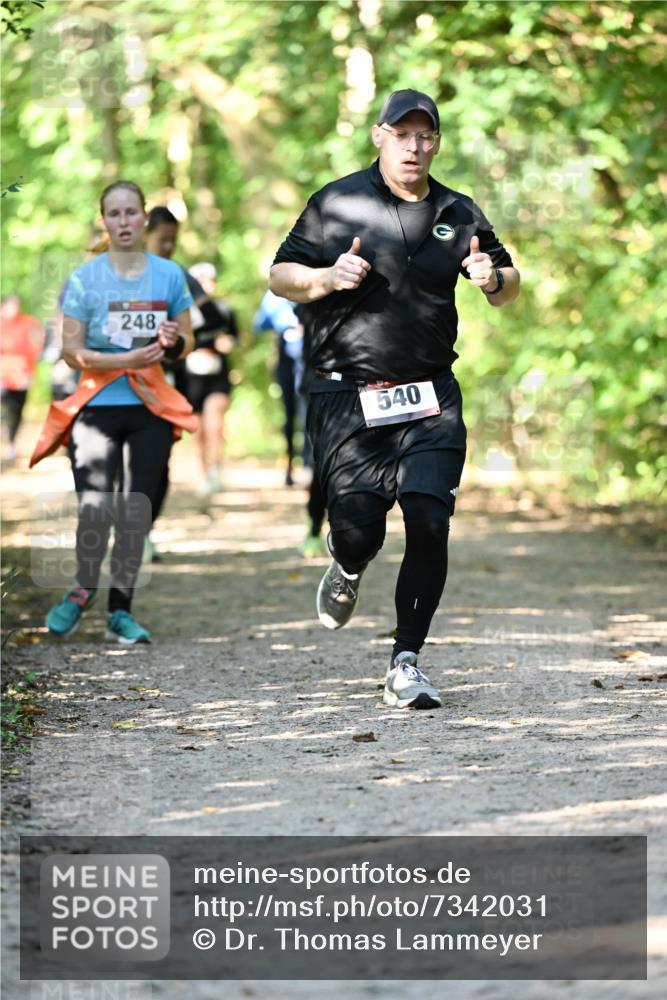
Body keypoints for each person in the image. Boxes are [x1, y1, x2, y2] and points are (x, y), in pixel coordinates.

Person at [270, 89, 520, 709]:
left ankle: (406, 660)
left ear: (435, 142)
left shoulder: (459, 212)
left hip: (431, 392)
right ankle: (347, 561)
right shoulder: (337, 201)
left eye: (425, 136)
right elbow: (280, 273)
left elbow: (509, 281)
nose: (414, 146)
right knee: (360, 530)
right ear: (379, 135)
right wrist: (326, 278)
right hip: (347, 394)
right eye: (402, 134)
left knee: (430, 519)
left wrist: (493, 279)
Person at [31, 180, 195, 643]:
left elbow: (188, 341)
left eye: (131, 212)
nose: (124, 222)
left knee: (135, 512)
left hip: (150, 405)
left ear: (145, 218)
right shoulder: (85, 279)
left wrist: (171, 342)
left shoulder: (168, 275)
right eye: (114, 214)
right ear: (104, 222)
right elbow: (70, 351)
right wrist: (124, 360)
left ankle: (121, 611)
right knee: (95, 508)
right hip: (96, 406)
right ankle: (83, 588)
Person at [145, 209, 238, 498]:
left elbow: (216, 322)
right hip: (130, 379)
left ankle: (142, 529)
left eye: (173, 240)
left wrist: (185, 341)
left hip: (175, 376)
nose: (169, 247)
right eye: (163, 240)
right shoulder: (118, 273)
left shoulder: (179, 276)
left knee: (159, 457)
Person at [253, 290, 306, 486]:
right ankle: (290, 466)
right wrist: (286, 320)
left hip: (311, 361)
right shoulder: (275, 295)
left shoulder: (316, 279)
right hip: (286, 362)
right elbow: (259, 324)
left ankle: (311, 466)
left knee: (310, 413)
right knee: (290, 414)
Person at [0, 295, 44, 462]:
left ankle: (11, 441)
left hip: (21, 375)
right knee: (5, 408)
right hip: (2, 374)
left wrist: (29, 372)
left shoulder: (28, 323)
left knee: (17, 410)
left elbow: (36, 347)